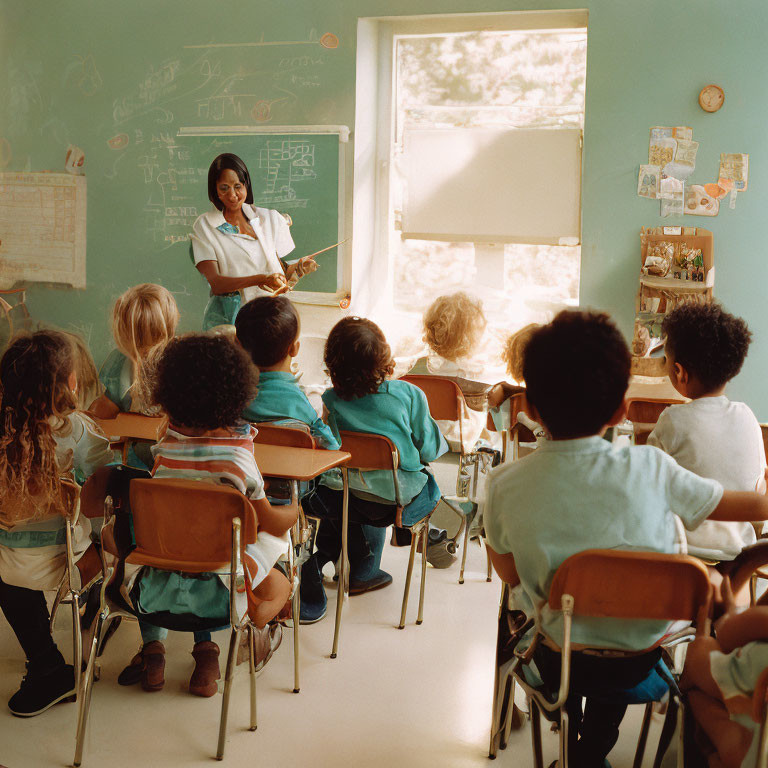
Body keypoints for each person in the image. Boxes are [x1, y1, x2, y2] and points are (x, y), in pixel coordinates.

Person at [483, 310, 768, 768]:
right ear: (621, 410)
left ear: (531, 409)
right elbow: (733, 504)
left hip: (559, 654)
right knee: (617, 634)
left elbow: (512, 576)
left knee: (544, 621)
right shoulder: (652, 469)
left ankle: (573, 745)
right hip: (639, 655)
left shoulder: (501, 484)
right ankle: (591, 748)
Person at [116, 334, 295, 697]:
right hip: (220, 599)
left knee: (185, 542)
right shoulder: (238, 463)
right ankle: (232, 641)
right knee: (282, 575)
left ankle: (154, 653)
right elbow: (273, 523)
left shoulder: (163, 456)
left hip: (152, 595)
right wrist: (294, 510)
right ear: (237, 394)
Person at [300, 317, 449, 621]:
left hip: (341, 499)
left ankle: (342, 562)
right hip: (395, 503)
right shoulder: (409, 395)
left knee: (355, 483)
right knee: (423, 481)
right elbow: (430, 449)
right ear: (385, 359)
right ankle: (390, 550)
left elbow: (335, 446)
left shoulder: (331, 399)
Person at [0, 330, 112, 717]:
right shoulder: (76, 431)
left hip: (6, 564)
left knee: (11, 572)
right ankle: (99, 604)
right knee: (108, 522)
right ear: (71, 384)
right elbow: (102, 488)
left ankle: (45, 662)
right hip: (65, 562)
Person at [648, 303, 765, 564]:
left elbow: (649, 480)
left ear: (679, 372)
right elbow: (758, 483)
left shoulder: (673, 420)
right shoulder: (747, 417)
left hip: (683, 554)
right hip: (740, 554)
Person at [190, 153, 319, 330]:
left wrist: (297, 269)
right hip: (231, 324)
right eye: (224, 188)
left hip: (272, 318)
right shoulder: (205, 225)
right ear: (215, 190)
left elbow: (278, 272)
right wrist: (260, 279)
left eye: (238, 186)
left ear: (246, 185)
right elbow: (217, 284)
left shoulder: (267, 219)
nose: (233, 195)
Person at [681, 578, 768, 768]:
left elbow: (727, 635)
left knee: (701, 656)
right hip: (754, 756)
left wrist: (729, 619)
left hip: (745, 748)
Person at [234, 295, 339, 450]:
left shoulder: (231, 400)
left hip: (245, 472)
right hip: (293, 473)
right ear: (294, 348)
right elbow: (331, 446)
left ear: (238, 345)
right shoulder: (302, 406)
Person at [90, 283, 179, 419]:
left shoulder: (178, 359)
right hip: (133, 431)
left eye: (150, 336)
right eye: (136, 340)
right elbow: (108, 403)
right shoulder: (122, 361)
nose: (143, 350)